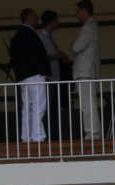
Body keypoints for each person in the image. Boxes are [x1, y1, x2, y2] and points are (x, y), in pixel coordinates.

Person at [10, 8, 51, 142]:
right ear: (29, 18)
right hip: (35, 75)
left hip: (23, 77)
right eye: (35, 16)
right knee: (38, 105)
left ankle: (26, 136)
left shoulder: (17, 36)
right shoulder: (30, 34)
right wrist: (43, 70)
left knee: (27, 107)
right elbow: (37, 55)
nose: (37, 18)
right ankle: (37, 136)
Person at [72, 0, 101, 140]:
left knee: (87, 103)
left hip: (85, 71)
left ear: (84, 10)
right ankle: (92, 132)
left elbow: (76, 47)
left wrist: (72, 45)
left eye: (78, 11)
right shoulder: (91, 26)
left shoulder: (88, 27)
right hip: (87, 71)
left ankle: (92, 132)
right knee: (87, 103)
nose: (76, 14)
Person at [39, 10, 68, 139]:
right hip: (49, 79)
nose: (58, 23)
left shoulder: (49, 37)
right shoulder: (42, 38)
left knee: (54, 109)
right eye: (56, 20)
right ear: (51, 22)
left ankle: (54, 136)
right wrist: (58, 55)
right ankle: (48, 136)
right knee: (48, 109)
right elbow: (44, 57)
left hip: (55, 79)